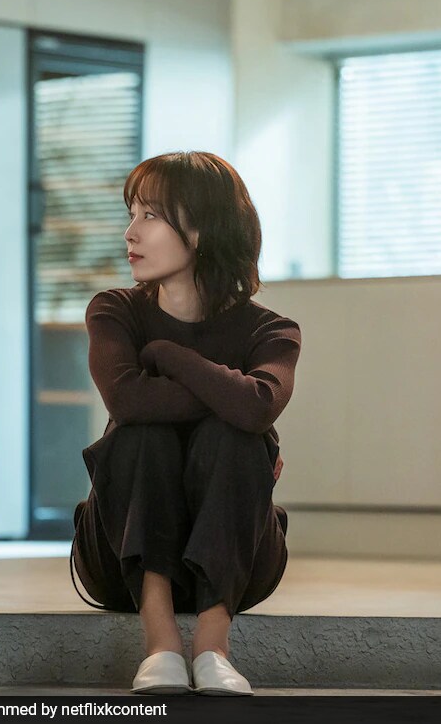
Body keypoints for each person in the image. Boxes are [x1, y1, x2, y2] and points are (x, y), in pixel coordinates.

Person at [70, 151, 299, 696]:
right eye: (132, 214)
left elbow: (255, 408)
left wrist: (168, 356)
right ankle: (160, 643)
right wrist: (235, 399)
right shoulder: (115, 311)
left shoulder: (272, 331)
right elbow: (128, 401)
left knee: (233, 436)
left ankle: (213, 645)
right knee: (145, 433)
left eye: (150, 215)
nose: (130, 232)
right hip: (120, 556)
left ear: (201, 230)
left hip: (242, 562)